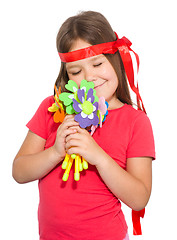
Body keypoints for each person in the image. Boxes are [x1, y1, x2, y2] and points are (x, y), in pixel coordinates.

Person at [12, 11, 155, 240]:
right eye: (76, 71)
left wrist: (99, 157)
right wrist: (56, 152)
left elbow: (139, 198)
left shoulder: (135, 121)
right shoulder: (51, 108)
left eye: (97, 64)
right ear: (67, 74)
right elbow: (19, 171)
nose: (89, 77)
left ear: (115, 58)